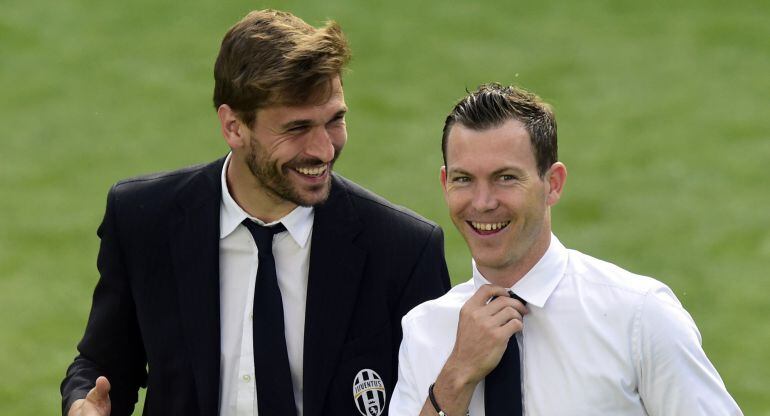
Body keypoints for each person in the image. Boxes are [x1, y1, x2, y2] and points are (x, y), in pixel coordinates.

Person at [60, 9, 450, 416]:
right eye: (297, 128)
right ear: (233, 127)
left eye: (334, 120)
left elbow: (434, 396)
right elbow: (102, 366)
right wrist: (82, 405)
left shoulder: (403, 250)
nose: (324, 149)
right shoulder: (144, 219)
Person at [389, 83, 742, 415]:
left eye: (506, 178)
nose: (482, 203)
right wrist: (455, 378)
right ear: (444, 183)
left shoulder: (639, 316)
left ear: (553, 184)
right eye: (464, 179)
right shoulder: (425, 331)